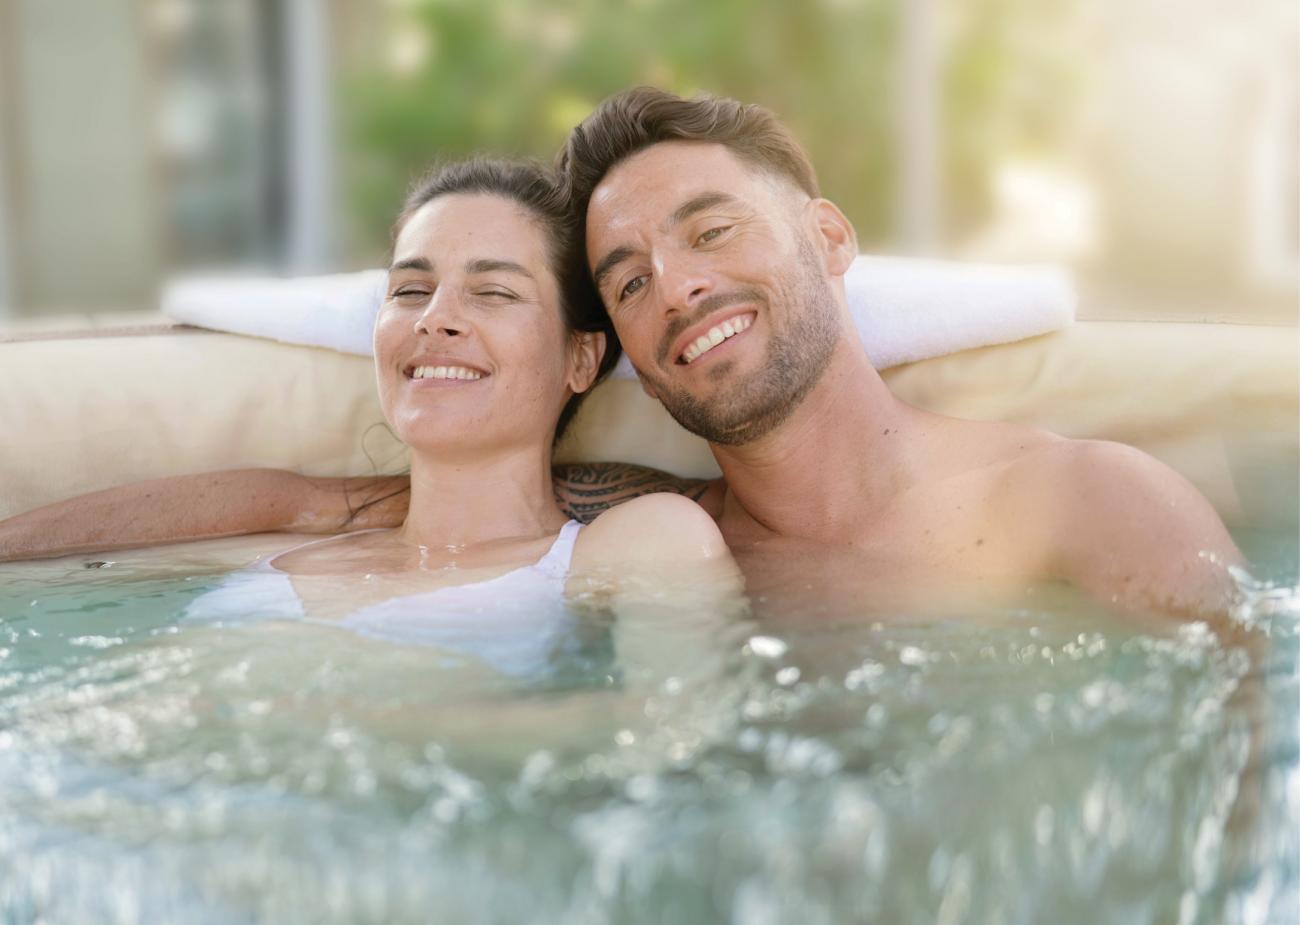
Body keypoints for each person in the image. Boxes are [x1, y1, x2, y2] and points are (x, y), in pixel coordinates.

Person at [0, 91, 1243, 619]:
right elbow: (325, 504)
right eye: (631, 277)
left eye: (711, 230)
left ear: (826, 236)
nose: (680, 284)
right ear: (617, 352)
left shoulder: (1084, 499)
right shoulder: (642, 521)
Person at [4, 157, 736, 667]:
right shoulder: (286, 534)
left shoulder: (627, 549)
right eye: (411, 290)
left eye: (494, 292)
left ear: (581, 358)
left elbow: (671, 758)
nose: (436, 319)